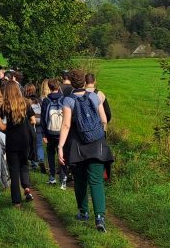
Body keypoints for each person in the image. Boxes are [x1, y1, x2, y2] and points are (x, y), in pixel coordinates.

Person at [58, 71, 113, 232]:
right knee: (96, 181)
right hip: (96, 143)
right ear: (84, 82)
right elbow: (104, 119)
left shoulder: (68, 100)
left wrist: (60, 147)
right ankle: (100, 218)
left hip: (77, 146)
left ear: (72, 83)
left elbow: (66, 125)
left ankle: (83, 213)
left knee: (80, 181)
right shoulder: (95, 97)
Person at [1, 82, 36, 208]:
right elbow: (33, 119)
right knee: (24, 164)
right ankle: (26, 186)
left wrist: (5, 128)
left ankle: (16, 201)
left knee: (14, 170)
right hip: (25, 139)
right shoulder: (25, 103)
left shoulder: (5, 105)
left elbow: (0, 121)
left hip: (12, 139)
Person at [41, 78, 66, 186]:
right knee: (62, 154)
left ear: (49, 88)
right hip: (61, 132)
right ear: (58, 86)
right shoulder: (64, 99)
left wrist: (44, 134)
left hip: (50, 132)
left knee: (51, 154)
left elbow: (43, 119)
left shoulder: (46, 101)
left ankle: (52, 177)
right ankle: (63, 179)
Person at [25, 83, 45, 174]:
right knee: (39, 144)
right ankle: (41, 160)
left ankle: (33, 163)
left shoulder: (25, 100)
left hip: (30, 124)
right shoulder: (39, 100)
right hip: (39, 123)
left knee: (30, 144)